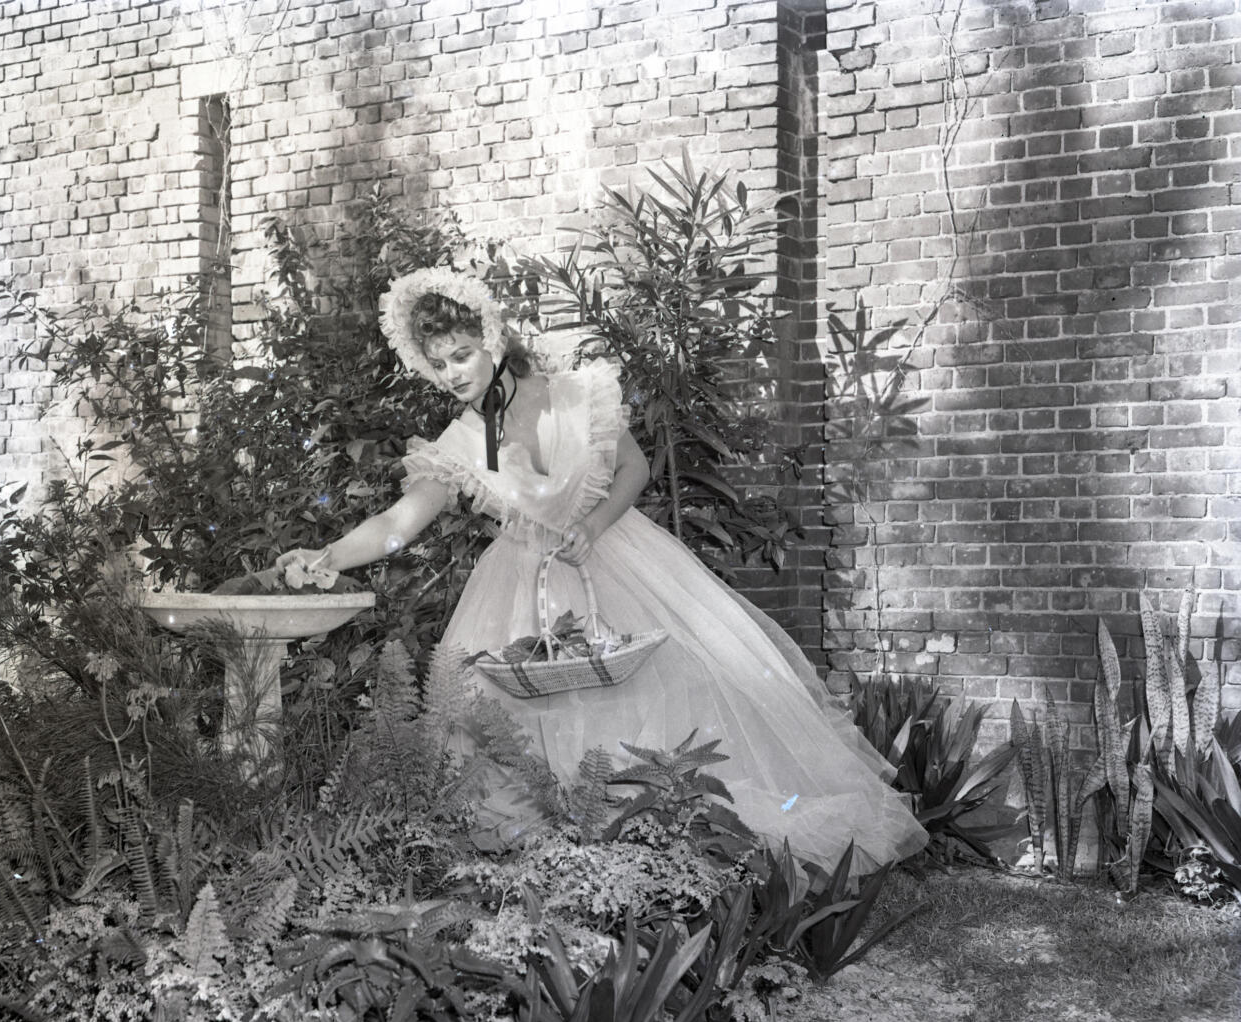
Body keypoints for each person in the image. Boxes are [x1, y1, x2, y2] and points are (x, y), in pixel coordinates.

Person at [277, 266, 927, 875]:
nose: (452, 373)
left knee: (659, 700)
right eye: (438, 362)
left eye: (462, 355)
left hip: (614, 562)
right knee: (501, 726)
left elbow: (635, 468)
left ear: (492, 340)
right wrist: (329, 556)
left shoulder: (568, 394)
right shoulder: (457, 442)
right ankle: (562, 875)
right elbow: (396, 525)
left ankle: (671, 859)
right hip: (517, 590)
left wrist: (591, 524)